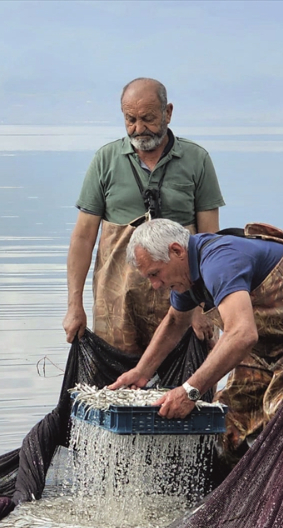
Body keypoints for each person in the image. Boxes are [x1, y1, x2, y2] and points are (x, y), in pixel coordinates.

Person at [109, 218, 283, 468]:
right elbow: (174, 322)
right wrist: (141, 372)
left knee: (282, 414)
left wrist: (190, 391)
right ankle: (238, 492)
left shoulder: (219, 261)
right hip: (267, 345)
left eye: (155, 274)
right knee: (228, 425)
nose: (156, 285)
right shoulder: (185, 278)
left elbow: (242, 334)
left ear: (176, 251)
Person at [63, 78, 224, 353]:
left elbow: (210, 240)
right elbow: (82, 237)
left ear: (168, 112)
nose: (139, 129)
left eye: (148, 118)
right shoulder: (106, 159)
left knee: (188, 385)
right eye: (131, 120)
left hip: (183, 300)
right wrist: (74, 305)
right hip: (116, 304)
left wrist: (203, 307)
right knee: (117, 386)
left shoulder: (197, 160)